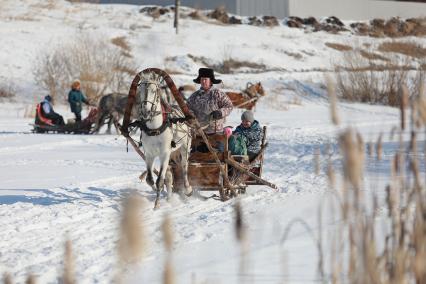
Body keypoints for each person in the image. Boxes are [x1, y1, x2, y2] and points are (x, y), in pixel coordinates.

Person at [186, 68, 233, 134]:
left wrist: (220, 112)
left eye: (205, 79)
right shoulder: (194, 96)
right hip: (198, 133)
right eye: (202, 79)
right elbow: (187, 108)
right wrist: (191, 115)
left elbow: (229, 106)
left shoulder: (218, 94)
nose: (203, 81)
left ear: (211, 81)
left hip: (216, 133)